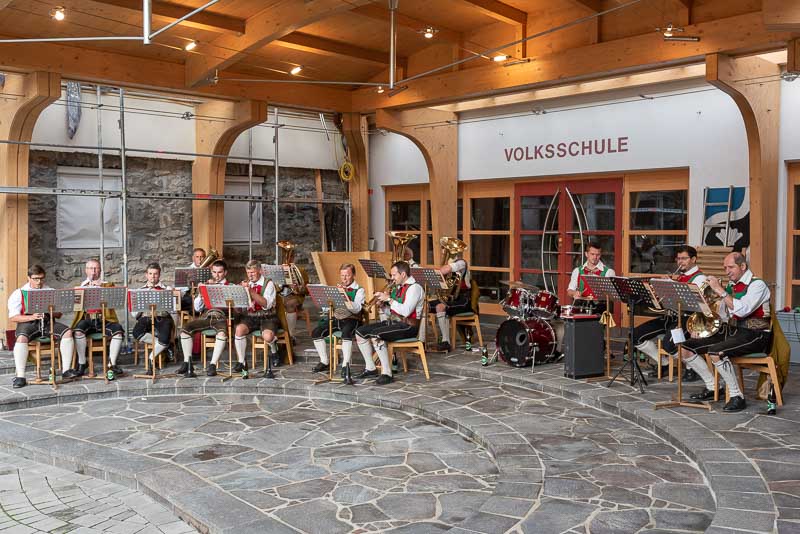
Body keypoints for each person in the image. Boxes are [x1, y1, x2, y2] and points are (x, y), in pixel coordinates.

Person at [680, 252, 771, 412]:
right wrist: (701, 325)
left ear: (743, 266)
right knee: (686, 348)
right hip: (733, 330)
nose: (727, 271)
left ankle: (737, 397)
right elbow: (721, 316)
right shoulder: (731, 286)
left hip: (756, 334)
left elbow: (742, 311)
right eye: (725, 268)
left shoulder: (758, 285)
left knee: (716, 351)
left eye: (731, 267)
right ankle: (713, 387)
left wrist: (720, 290)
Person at [634, 246, 707, 378]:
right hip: (672, 317)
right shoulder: (680, 277)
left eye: (684, 258)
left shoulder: (700, 278)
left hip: (689, 319)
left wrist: (671, 286)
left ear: (693, 259)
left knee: (669, 344)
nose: (680, 262)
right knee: (635, 335)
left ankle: (692, 368)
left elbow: (696, 306)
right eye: (678, 259)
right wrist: (661, 289)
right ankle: (664, 363)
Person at [355, 261, 425, 385]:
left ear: (403, 274)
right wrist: (383, 306)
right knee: (360, 332)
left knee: (376, 335)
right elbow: (392, 312)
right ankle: (371, 368)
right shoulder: (399, 287)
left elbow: (406, 312)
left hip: (409, 326)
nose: (392, 278)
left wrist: (389, 299)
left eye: (394, 275)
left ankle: (387, 373)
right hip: (395, 322)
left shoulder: (415, 288)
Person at [7, 266, 75, 388]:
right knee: (21, 338)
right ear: (29, 278)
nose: (39, 282)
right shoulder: (19, 293)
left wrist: (50, 311)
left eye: (41, 279)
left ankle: (66, 370)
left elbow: (59, 314)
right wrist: (32, 317)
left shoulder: (51, 291)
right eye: (36, 279)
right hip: (28, 323)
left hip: (47, 322)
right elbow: (13, 317)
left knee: (68, 332)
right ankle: (20, 376)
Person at [70, 259, 125, 378]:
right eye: (91, 268)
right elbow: (76, 307)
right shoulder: (81, 286)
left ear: (100, 270)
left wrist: (100, 289)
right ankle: (82, 363)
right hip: (88, 319)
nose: (93, 271)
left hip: (104, 319)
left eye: (96, 268)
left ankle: (112, 364)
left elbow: (114, 302)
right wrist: (85, 290)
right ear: (86, 270)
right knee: (78, 331)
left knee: (118, 331)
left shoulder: (108, 285)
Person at [311, 263, 365, 377]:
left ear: (354, 275)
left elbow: (357, 309)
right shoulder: (336, 289)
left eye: (347, 275)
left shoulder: (359, 290)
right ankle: (324, 361)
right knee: (316, 332)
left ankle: (345, 365)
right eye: (342, 275)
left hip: (352, 319)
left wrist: (345, 297)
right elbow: (327, 308)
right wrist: (327, 301)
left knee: (346, 333)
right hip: (337, 318)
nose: (344, 278)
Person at [178, 260, 230, 377]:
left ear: (225, 273)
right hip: (206, 316)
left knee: (222, 333)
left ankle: (212, 365)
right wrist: (201, 294)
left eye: (220, 272)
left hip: (221, 317)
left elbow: (236, 308)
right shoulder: (206, 285)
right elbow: (197, 308)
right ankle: (187, 362)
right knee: (185, 329)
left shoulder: (230, 286)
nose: (217, 275)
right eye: (214, 272)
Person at [232, 260, 279, 374]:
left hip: (267, 316)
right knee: (239, 330)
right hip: (250, 316)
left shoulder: (269, 284)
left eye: (252, 272)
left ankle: (274, 350)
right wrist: (236, 301)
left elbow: (266, 304)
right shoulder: (246, 283)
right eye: (248, 273)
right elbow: (240, 308)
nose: (250, 276)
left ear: (260, 271)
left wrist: (251, 292)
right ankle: (241, 362)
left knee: (268, 337)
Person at [130, 263, 175, 373]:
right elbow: (134, 315)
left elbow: (173, 310)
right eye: (150, 274)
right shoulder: (139, 291)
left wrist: (171, 296)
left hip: (162, 317)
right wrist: (140, 305)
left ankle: (151, 358)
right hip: (146, 317)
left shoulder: (167, 289)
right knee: (136, 332)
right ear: (146, 275)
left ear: (159, 275)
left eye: (155, 274)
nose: (153, 276)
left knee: (165, 334)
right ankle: (166, 345)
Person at [429, 238, 471, 352]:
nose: (444, 250)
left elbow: (444, 270)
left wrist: (440, 265)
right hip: (450, 298)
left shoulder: (461, 263)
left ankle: (446, 342)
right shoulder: (449, 264)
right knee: (424, 306)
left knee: (440, 307)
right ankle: (421, 340)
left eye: (446, 249)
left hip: (463, 300)